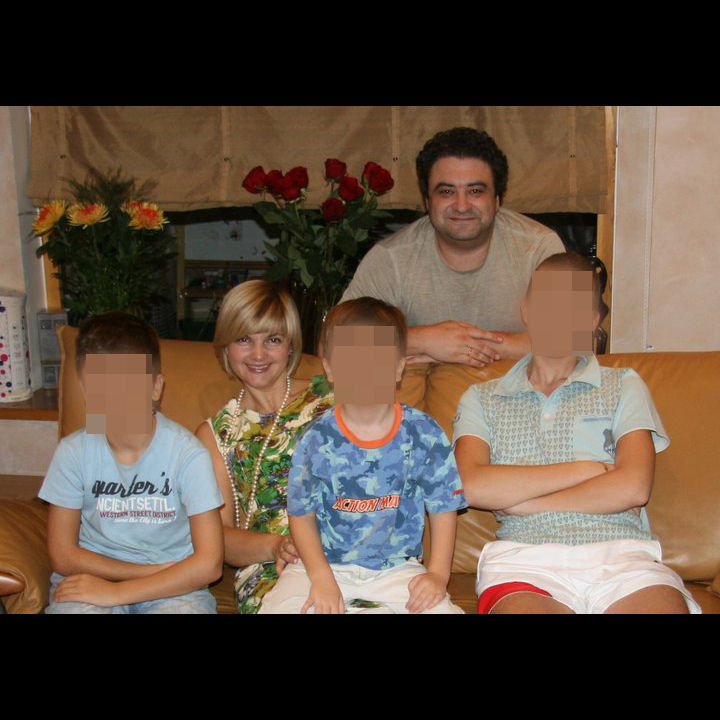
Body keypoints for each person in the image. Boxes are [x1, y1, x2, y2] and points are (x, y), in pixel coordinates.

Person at [453, 252, 701, 614]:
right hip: (524, 560)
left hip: (624, 558)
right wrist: (587, 470)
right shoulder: (482, 397)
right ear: (526, 309)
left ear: (591, 320)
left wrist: (527, 503)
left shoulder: (624, 385)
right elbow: (470, 485)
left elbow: (633, 487)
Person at [259, 297, 467, 614]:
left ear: (398, 367)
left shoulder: (424, 433)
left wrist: (438, 574)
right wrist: (320, 576)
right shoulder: (315, 438)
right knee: (279, 608)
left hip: (397, 569)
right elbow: (301, 515)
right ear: (329, 368)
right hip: (320, 565)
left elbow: (443, 508)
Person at [40, 312, 224, 613]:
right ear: (85, 390)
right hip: (94, 580)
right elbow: (62, 555)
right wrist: (143, 575)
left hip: (174, 589)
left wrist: (119, 592)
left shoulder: (188, 454)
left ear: (155, 387)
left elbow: (209, 564)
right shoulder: (72, 452)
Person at [341, 126, 565, 369]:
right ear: (427, 201)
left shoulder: (541, 247)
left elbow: (578, 343)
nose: (461, 205)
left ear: (497, 200)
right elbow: (333, 345)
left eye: (475, 191)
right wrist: (423, 340)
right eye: (446, 191)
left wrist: (464, 346)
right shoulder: (389, 258)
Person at [196, 279, 334, 614]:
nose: (258, 354)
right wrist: (276, 546)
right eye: (244, 339)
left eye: (273, 340)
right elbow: (219, 540)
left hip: (349, 555)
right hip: (274, 570)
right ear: (226, 345)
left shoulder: (332, 399)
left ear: (290, 346)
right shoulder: (215, 435)